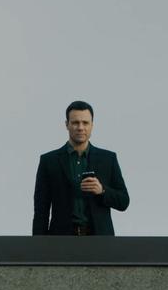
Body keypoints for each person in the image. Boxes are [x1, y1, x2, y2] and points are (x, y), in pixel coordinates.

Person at [32, 100, 130, 235]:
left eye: (85, 123)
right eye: (75, 122)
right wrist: (38, 247)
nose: (80, 127)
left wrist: (102, 190)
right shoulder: (49, 161)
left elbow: (123, 201)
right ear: (67, 125)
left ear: (92, 125)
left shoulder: (108, 159)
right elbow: (41, 210)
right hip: (60, 240)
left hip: (99, 240)